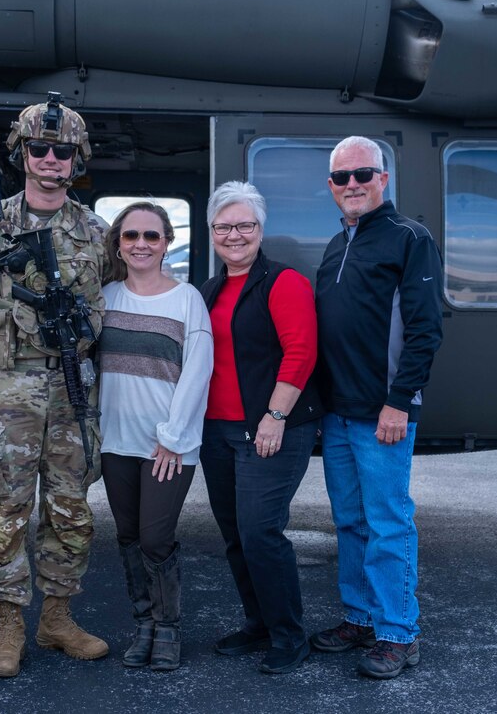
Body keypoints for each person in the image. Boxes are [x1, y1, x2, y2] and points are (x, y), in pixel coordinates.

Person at [0, 94, 110, 678]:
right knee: (5, 510)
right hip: (7, 389)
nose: (50, 160)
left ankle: (57, 617)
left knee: (71, 510)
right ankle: (9, 626)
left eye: (62, 151)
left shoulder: (96, 232)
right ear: (21, 154)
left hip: (71, 389)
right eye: (39, 148)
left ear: (76, 160)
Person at [310, 136, 443, 679]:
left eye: (363, 174)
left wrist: (399, 402)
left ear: (382, 179)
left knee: (388, 523)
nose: (353, 185)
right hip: (338, 413)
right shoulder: (335, 245)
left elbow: (425, 329)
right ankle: (361, 618)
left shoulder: (410, 238)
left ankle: (397, 633)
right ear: (332, 188)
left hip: (381, 414)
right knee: (349, 522)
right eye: (342, 178)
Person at [198, 181, 324, 675]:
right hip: (218, 433)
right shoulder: (210, 289)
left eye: (244, 225)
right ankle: (259, 623)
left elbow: (301, 352)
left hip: (272, 430)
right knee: (234, 534)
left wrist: (274, 416)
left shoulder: (283, 281)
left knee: (261, 533)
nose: (235, 234)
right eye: (224, 226)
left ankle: (289, 635)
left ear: (260, 229)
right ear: (211, 232)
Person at [99, 201, 214, 671]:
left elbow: (198, 372)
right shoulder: (105, 297)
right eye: (131, 236)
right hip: (115, 441)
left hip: (166, 445)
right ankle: (143, 624)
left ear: (167, 243)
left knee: (155, 537)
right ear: (119, 246)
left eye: (152, 236)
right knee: (127, 535)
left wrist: (173, 437)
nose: (141, 244)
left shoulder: (187, 299)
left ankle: (168, 627)